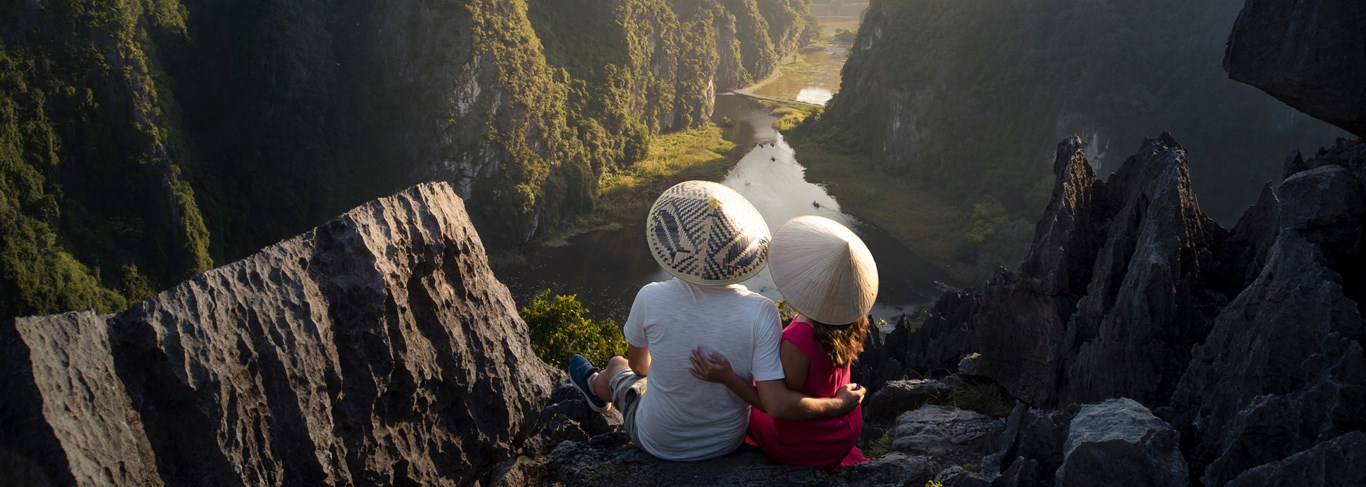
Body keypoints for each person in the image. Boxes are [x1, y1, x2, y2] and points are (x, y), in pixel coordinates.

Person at [567, 181, 865, 462]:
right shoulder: (762, 311)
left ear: (678, 247)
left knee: (618, 365)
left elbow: (640, 367)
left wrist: (674, 363)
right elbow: (771, 396)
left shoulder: (650, 296)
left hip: (657, 440)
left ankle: (594, 386)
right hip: (727, 443)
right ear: (739, 252)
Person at [689, 215, 877, 470]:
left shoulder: (799, 339)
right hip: (844, 429)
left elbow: (777, 406)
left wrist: (727, 378)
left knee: (748, 395)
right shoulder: (849, 317)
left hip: (808, 441)